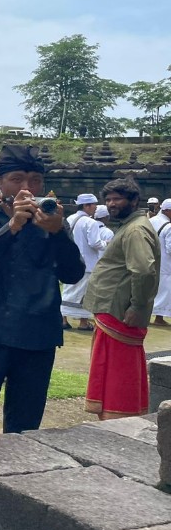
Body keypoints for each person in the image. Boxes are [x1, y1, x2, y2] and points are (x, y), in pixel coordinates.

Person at [0, 145, 84, 439]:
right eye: (17, 178)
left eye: (35, 180)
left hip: (38, 334)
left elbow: (72, 273)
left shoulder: (52, 220)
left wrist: (58, 231)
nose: (27, 187)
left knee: (25, 426)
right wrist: (11, 226)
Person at [83, 177, 159, 420]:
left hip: (119, 309)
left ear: (134, 200)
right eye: (108, 199)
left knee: (118, 366)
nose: (112, 204)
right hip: (113, 307)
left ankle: (118, 415)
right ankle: (113, 412)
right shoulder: (130, 226)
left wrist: (137, 306)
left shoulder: (135, 229)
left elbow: (144, 270)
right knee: (113, 363)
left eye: (117, 198)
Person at [61, 193, 103, 332]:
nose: (96, 208)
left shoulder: (69, 218)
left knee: (69, 290)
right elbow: (95, 242)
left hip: (70, 260)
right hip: (87, 262)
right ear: (87, 206)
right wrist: (107, 243)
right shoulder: (91, 222)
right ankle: (82, 322)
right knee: (83, 294)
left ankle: (64, 319)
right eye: (94, 205)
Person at [151, 199, 171, 327]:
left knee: (152, 289)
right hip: (165, 264)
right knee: (164, 291)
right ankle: (159, 318)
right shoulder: (168, 226)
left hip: (149, 260)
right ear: (168, 211)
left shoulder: (150, 221)